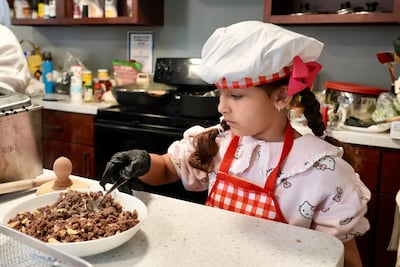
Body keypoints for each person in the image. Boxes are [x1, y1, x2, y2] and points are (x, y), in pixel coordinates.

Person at [100, 21, 370, 267]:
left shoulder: (321, 172)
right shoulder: (219, 143)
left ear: (281, 97)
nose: (221, 106)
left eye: (236, 96)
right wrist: (145, 162)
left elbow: (343, 256)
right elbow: (170, 168)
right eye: (221, 93)